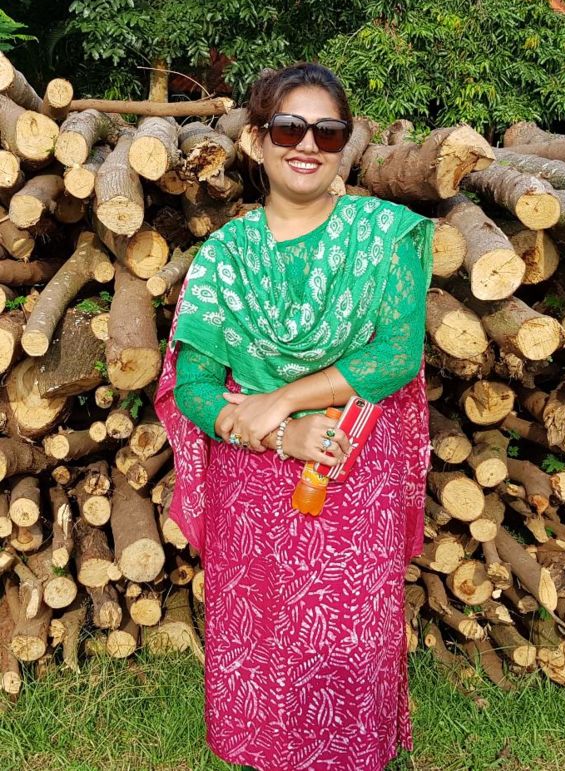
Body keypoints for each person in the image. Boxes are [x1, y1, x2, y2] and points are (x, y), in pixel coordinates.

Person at [155, 62, 435, 771]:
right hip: (252, 485)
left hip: (351, 467)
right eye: (288, 127)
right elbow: (193, 387)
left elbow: (396, 354)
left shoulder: (385, 236)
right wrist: (281, 433)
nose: (307, 144)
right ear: (255, 140)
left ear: (345, 143)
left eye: (327, 131)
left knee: (349, 648)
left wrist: (283, 397)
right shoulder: (225, 257)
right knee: (261, 656)